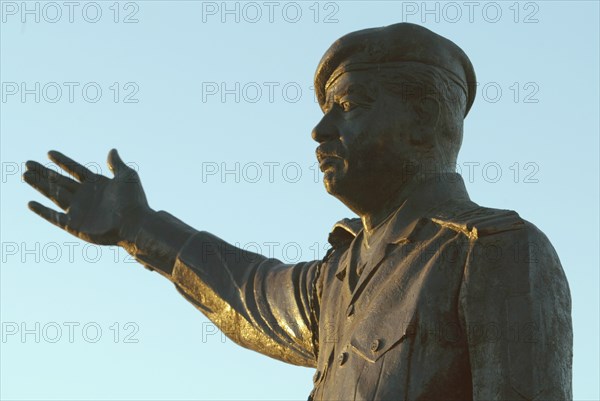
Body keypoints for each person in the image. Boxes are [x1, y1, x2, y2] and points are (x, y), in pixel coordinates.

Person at [23, 23, 572, 400]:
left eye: (349, 106)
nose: (320, 130)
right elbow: (248, 289)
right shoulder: (337, 281)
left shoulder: (494, 250)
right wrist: (141, 228)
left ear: (424, 118)